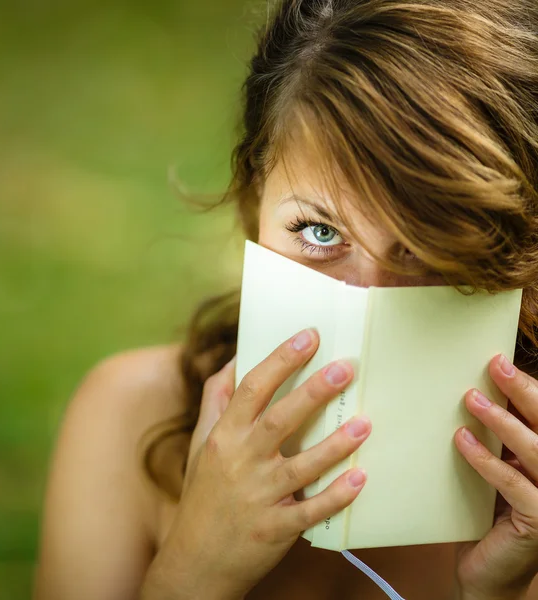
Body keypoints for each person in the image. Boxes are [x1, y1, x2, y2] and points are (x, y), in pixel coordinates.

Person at [33, 0, 538, 598]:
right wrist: (194, 566)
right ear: (254, 204)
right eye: (319, 232)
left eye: (427, 247)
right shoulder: (130, 416)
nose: (365, 299)